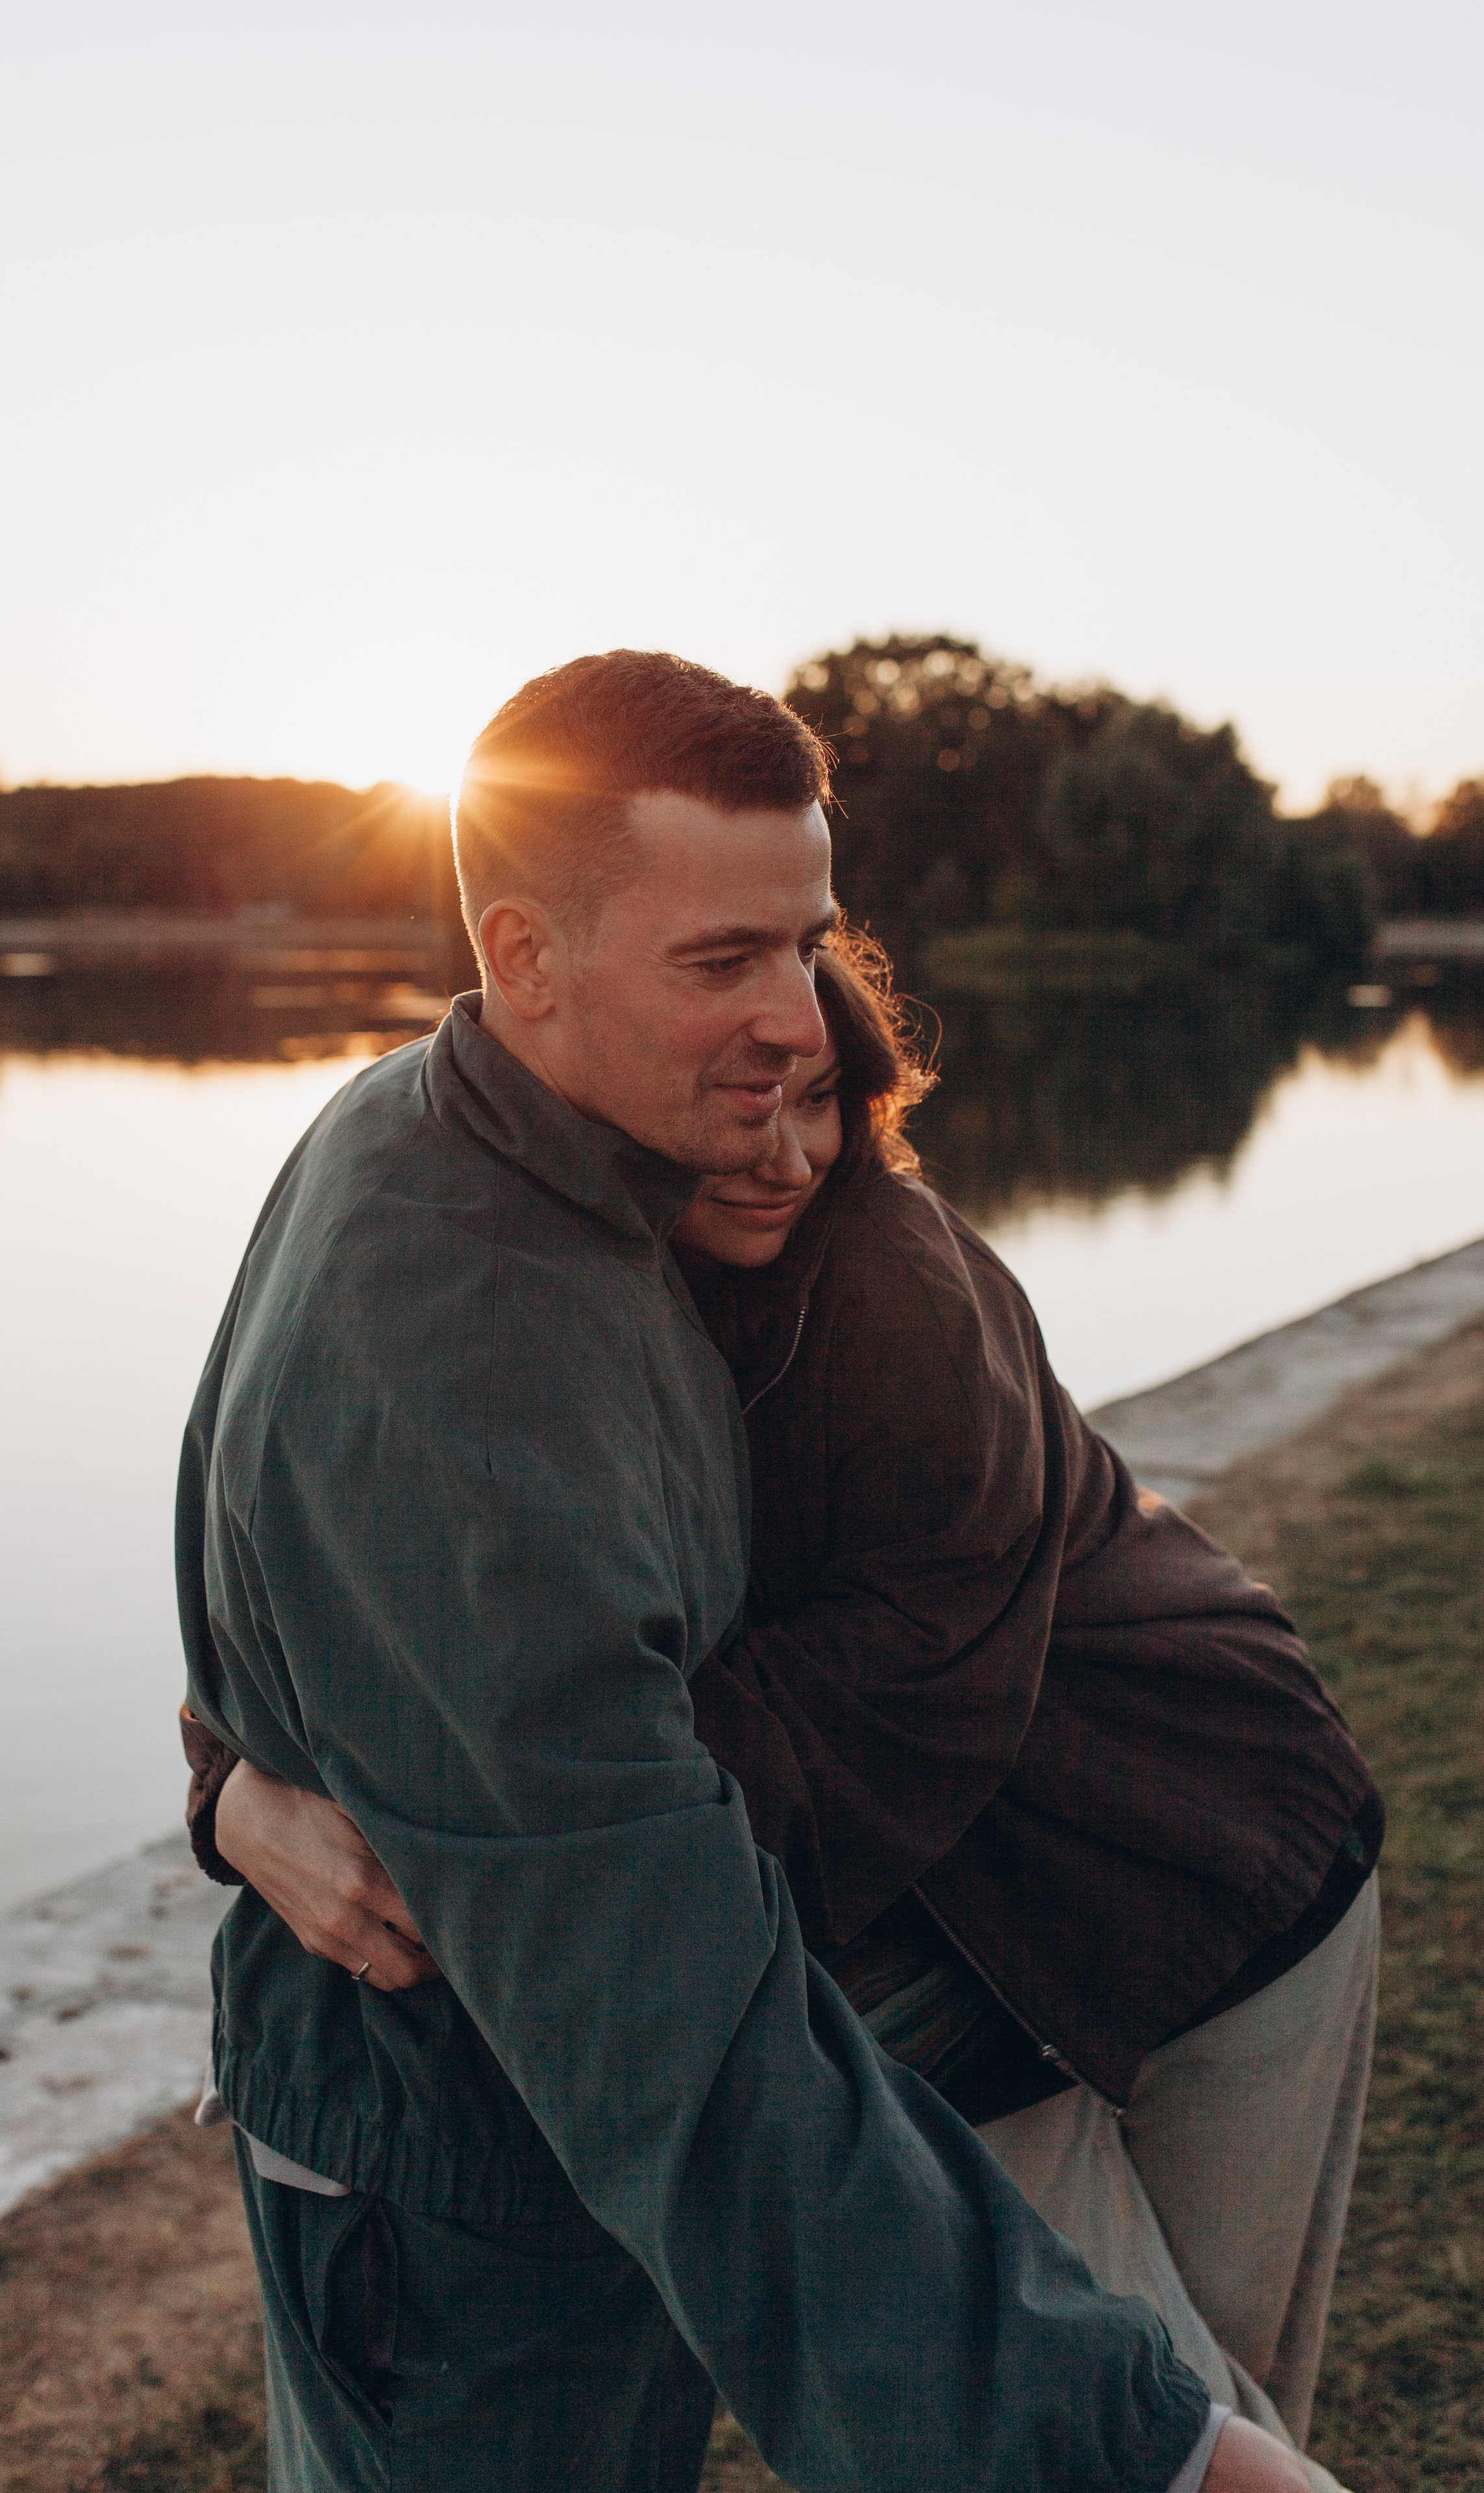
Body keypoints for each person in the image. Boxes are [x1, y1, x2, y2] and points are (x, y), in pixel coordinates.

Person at [177, 651, 1316, 2493]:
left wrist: (251, 1783)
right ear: (526, 961)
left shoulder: (602, 1189)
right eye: (724, 961)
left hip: (1135, 1893)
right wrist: (1142, 2461)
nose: (801, 1024)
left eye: (808, 942)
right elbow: (657, 1971)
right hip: (441, 2172)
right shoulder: (458, 1318)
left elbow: (421, 1685)